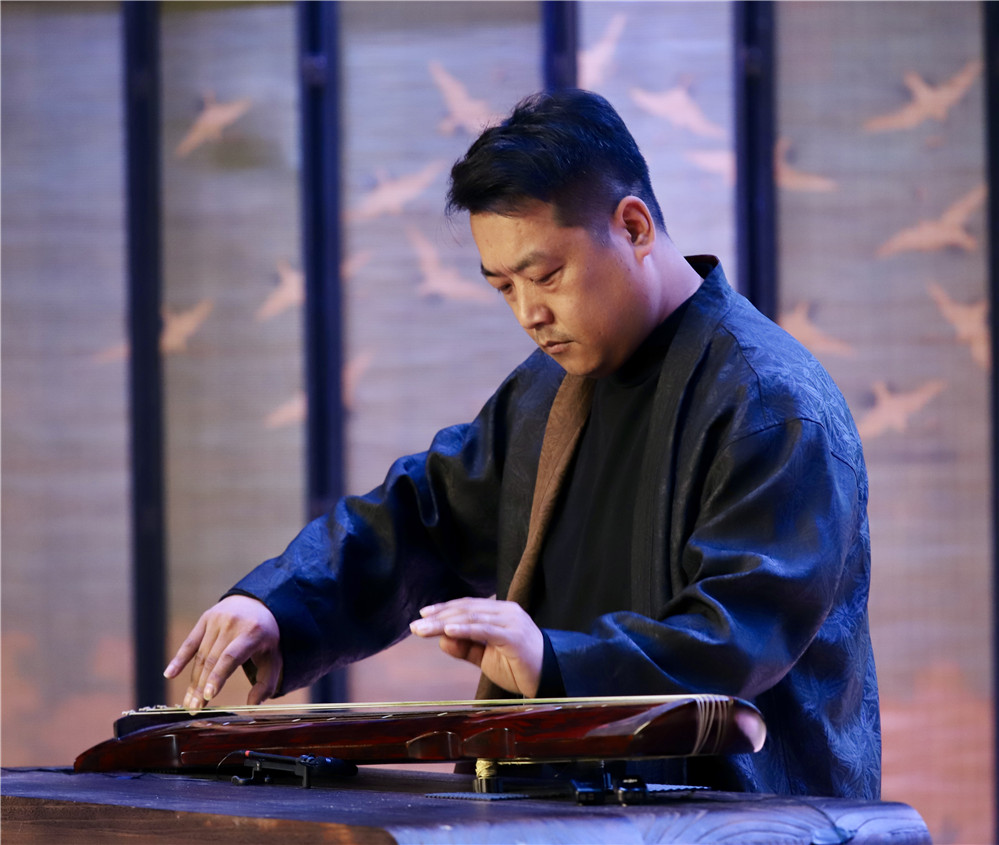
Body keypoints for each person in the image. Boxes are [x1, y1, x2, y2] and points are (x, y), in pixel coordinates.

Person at [164, 89, 880, 799]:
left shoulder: (771, 403)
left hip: (741, 816)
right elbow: (426, 517)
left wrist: (552, 660)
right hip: (558, 808)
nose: (530, 313)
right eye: (503, 287)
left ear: (633, 227)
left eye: (545, 275)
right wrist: (278, 604)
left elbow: (737, 634)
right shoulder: (546, 388)